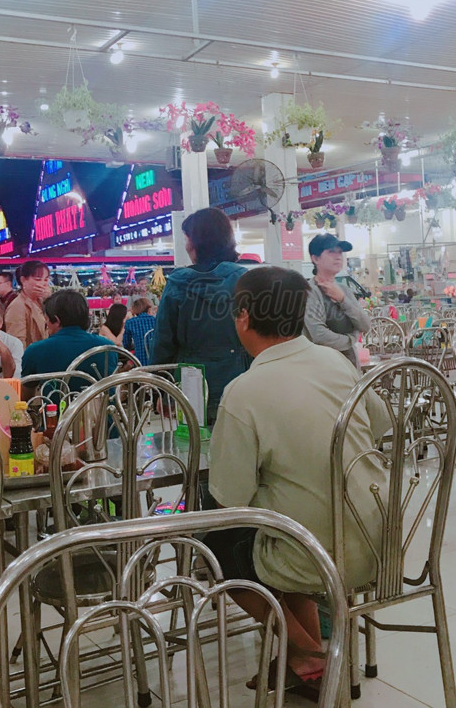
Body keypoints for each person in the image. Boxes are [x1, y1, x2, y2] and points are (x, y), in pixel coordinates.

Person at [204, 267, 391, 695]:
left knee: (220, 545)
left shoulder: (244, 391)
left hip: (314, 553)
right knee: (281, 523)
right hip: (378, 536)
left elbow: (231, 498)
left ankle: (309, 653)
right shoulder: (336, 362)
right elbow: (380, 423)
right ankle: (305, 661)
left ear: (243, 317)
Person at [151, 208, 251, 423]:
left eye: (187, 238)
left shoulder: (178, 284)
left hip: (191, 382)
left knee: (194, 439)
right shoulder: (245, 281)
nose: (186, 245)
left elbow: (163, 342)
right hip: (239, 379)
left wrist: (160, 390)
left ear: (196, 242)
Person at [21, 290, 117, 399]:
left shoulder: (35, 351)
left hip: (58, 410)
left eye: (46, 319)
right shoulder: (107, 347)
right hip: (104, 409)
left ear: (56, 320)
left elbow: (26, 397)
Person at [303, 234, 371, 369]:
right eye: (331, 252)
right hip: (323, 368)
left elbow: (365, 325)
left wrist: (342, 299)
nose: (338, 256)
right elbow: (319, 335)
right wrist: (350, 339)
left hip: (350, 365)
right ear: (315, 258)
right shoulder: (310, 292)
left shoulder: (345, 290)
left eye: (340, 252)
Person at [4, 260, 50, 348]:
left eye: (46, 279)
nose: (43, 283)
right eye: (38, 279)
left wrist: (50, 300)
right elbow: (17, 344)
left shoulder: (43, 301)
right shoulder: (17, 306)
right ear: (23, 280)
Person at [123, 298, 156, 365]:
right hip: (157, 362)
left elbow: (126, 344)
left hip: (140, 363)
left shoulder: (130, 322)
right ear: (149, 309)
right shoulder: (156, 320)